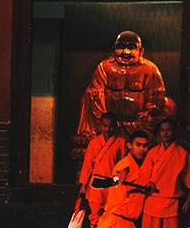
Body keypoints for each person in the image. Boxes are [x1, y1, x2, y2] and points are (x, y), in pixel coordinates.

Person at [73, 30, 174, 161]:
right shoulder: (105, 67)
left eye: (131, 47)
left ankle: (148, 143)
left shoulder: (149, 69)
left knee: (168, 105)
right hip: (109, 122)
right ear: (114, 49)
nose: (125, 52)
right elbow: (95, 93)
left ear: (140, 51)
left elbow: (157, 94)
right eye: (121, 47)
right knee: (87, 97)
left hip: (140, 123)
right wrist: (105, 118)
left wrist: (150, 110)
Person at [140, 118, 190, 228]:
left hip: (172, 201)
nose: (166, 133)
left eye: (168, 130)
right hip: (153, 200)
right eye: (162, 130)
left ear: (173, 132)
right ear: (158, 133)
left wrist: (188, 200)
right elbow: (144, 177)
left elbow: (188, 180)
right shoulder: (153, 152)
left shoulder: (182, 153)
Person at [77, 112, 127, 228]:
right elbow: (88, 165)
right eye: (105, 126)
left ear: (115, 126)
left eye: (110, 126)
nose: (107, 129)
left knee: (110, 212)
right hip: (95, 184)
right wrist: (83, 186)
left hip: (112, 183)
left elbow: (124, 164)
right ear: (100, 126)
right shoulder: (94, 143)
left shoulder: (121, 143)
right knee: (95, 213)